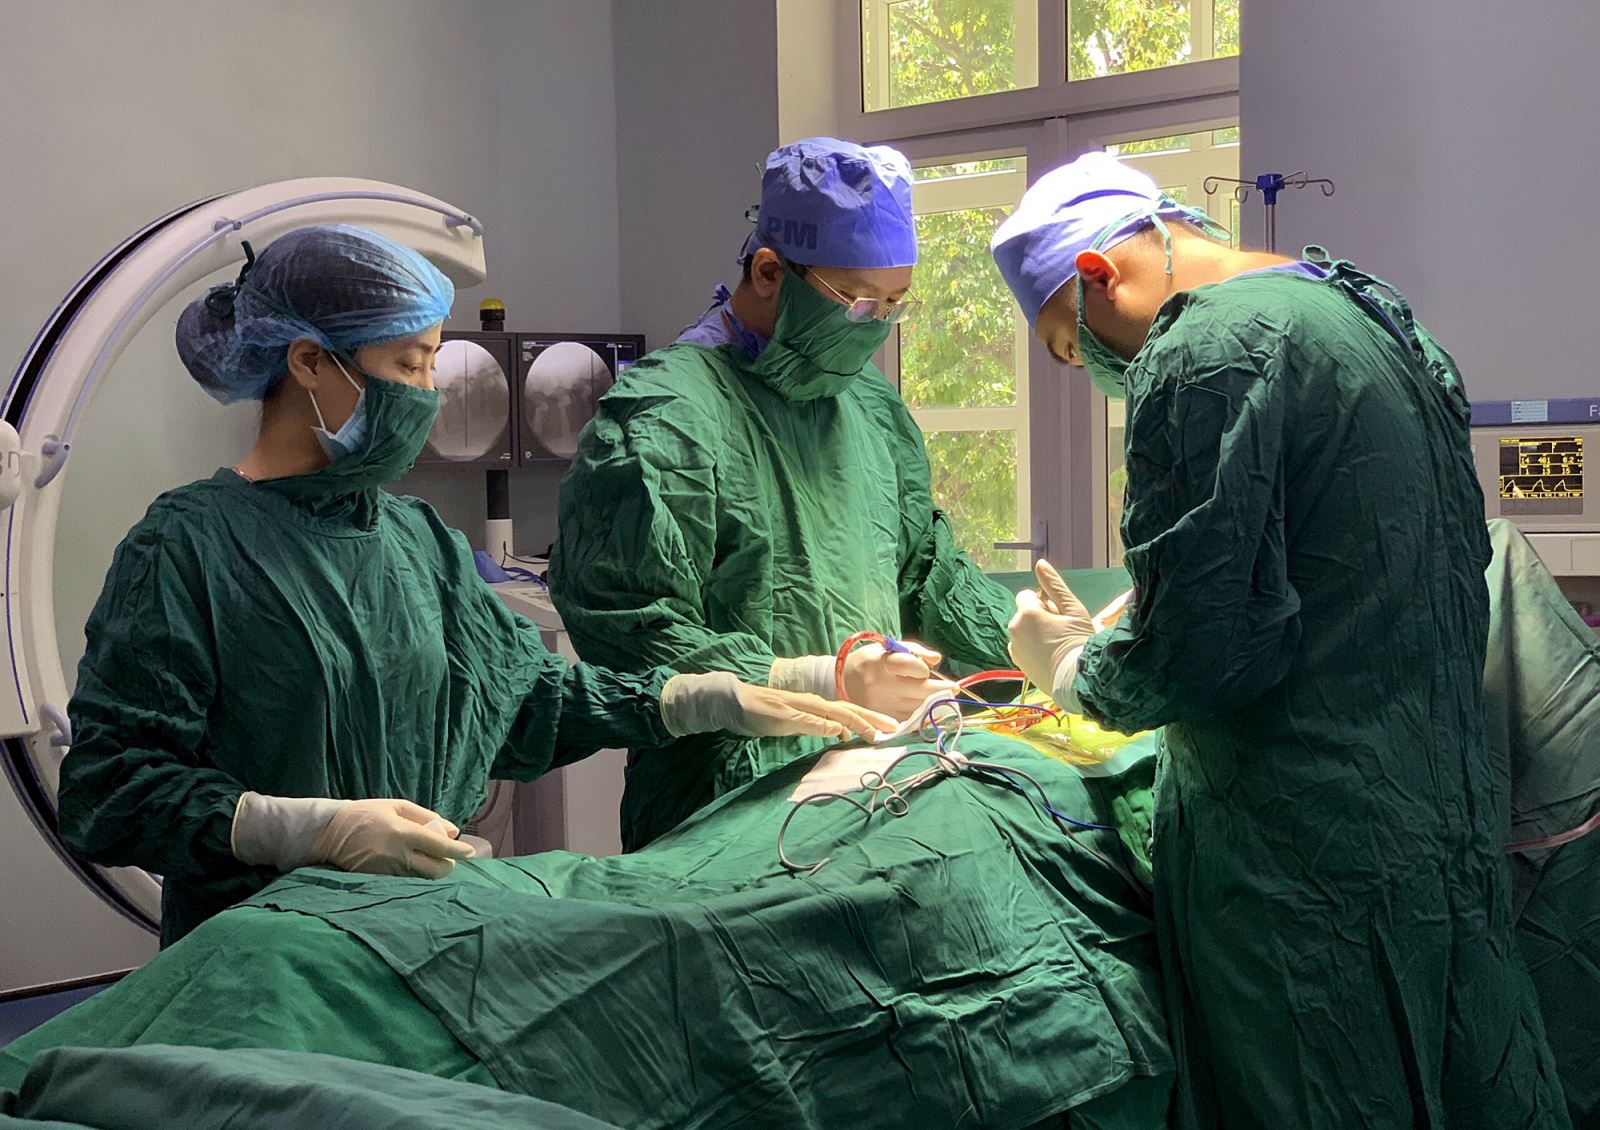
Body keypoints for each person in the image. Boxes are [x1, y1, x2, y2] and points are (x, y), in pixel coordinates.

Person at [58, 224, 889, 947]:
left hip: (422, 940)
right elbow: (110, 791)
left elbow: (525, 699)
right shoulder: (187, 547)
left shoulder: (415, 539)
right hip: (266, 960)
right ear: (310, 361)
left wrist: (697, 698)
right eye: (408, 364)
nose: (428, 394)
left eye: (433, 364)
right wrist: (307, 829)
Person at [991, 151, 1569, 1128]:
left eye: (1070, 343)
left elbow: (1199, 660)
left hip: (1302, 869)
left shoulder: (1201, 351)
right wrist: (1164, 596)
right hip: (1444, 827)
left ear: (1097, 274)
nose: (1091, 368)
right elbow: (1385, 557)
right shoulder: (1375, 317)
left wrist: (1071, 666)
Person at [552, 138, 1016, 850]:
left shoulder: (868, 406)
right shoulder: (663, 419)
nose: (877, 326)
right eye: (860, 303)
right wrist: (819, 680)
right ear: (771, 271)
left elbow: (927, 572)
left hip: (875, 777)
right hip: (721, 803)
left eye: (896, 305)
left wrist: (1042, 650)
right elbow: (634, 635)